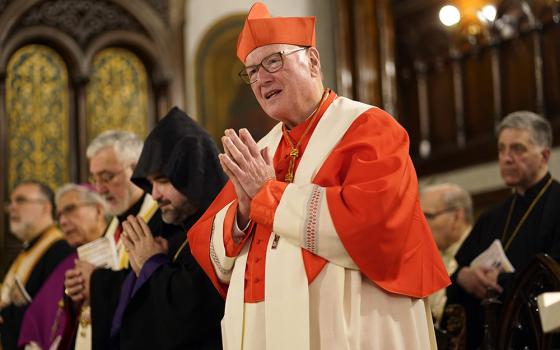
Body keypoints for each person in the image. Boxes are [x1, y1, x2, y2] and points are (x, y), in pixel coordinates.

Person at [188, 3, 450, 349]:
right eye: (251, 71)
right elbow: (206, 243)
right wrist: (242, 212)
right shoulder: (263, 149)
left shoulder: (367, 128)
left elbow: (374, 224)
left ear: (312, 60)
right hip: (264, 327)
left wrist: (268, 197)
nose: (261, 78)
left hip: (354, 322)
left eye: (273, 61)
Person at [108, 107, 226, 349]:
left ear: (193, 174)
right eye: (150, 183)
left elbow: (195, 316)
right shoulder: (171, 233)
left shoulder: (224, 228)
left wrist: (152, 264)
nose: (154, 194)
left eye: (162, 181)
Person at [446, 111, 560, 349]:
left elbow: (554, 279)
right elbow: (457, 275)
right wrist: (463, 277)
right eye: (502, 149)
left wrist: (501, 281)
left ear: (544, 156)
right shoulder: (491, 217)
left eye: (518, 149)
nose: (506, 158)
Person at [63, 131, 182, 349]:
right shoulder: (112, 227)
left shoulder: (165, 219)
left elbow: (158, 294)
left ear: (137, 169)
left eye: (107, 177)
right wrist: (79, 288)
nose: (100, 189)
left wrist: (97, 281)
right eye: (94, 179)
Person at [18, 183, 108, 350]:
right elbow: (37, 318)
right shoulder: (67, 264)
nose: (63, 221)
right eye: (59, 215)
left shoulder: (120, 251)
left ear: (98, 210)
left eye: (70, 209)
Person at [1, 181, 73, 349]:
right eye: (10, 203)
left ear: (45, 207)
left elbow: (49, 314)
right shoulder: (27, 249)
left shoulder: (60, 250)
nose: (12, 208)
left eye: (20, 200)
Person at [420, 183, 473, 324]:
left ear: (457, 217)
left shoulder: (479, 250)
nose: (420, 224)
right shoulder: (425, 257)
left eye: (428, 216)